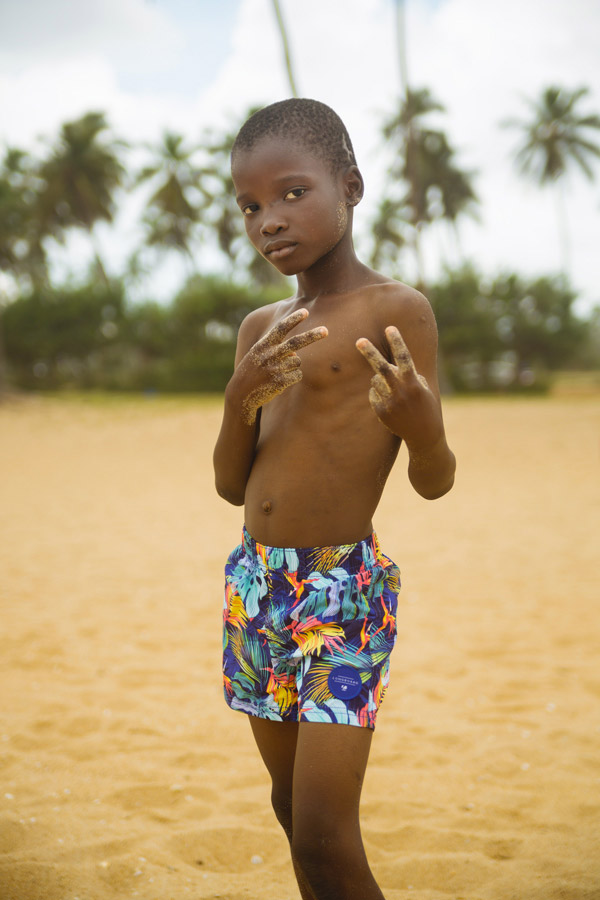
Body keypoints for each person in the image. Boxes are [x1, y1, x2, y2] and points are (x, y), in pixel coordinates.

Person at [213, 98, 455, 900]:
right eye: (251, 206)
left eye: (292, 193)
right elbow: (229, 485)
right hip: (255, 586)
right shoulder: (259, 328)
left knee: (323, 837)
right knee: (290, 810)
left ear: (350, 187)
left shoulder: (396, 311)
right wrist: (238, 397)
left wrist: (421, 428)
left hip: (339, 589)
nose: (270, 220)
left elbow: (434, 478)